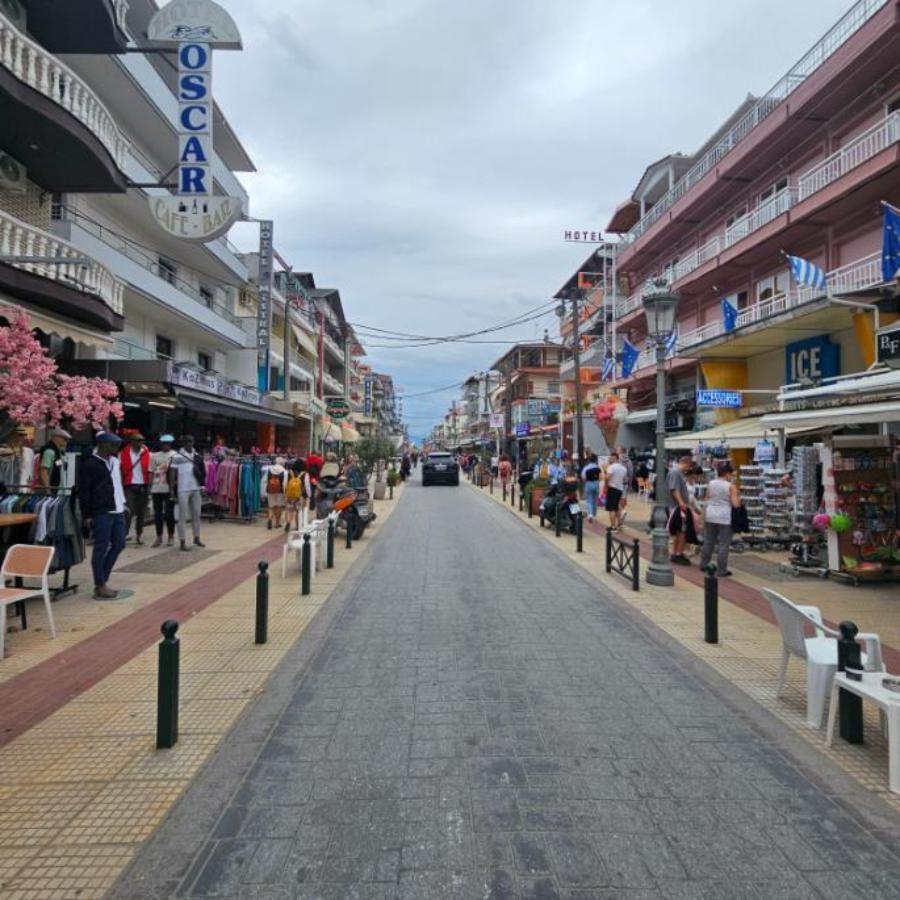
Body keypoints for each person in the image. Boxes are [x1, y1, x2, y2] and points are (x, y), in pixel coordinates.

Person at [78, 432, 127, 599]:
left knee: (119, 543)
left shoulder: (115, 461)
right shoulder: (89, 464)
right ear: (103, 445)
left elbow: (117, 483)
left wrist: (123, 502)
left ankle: (102, 579)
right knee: (101, 546)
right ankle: (100, 584)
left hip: (118, 508)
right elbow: (84, 491)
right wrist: (87, 515)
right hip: (101, 510)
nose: (116, 448)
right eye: (113, 445)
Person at [700, 460, 741, 576]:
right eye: (731, 473)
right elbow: (735, 504)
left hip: (710, 514)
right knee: (724, 544)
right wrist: (738, 498)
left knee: (708, 541)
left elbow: (707, 498)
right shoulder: (731, 486)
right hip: (724, 517)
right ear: (727, 473)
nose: (732, 476)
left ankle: (704, 564)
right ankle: (721, 569)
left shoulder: (711, 483)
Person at [171, 435, 205, 552]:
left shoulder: (197, 456)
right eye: (188, 441)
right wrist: (172, 489)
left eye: (191, 441)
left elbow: (202, 472)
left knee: (197, 514)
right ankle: (182, 541)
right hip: (183, 489)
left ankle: (196, 537)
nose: (190, 443)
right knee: (182, 516)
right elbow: (172, 473)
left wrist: (202, 486)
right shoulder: (177, 456)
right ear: (184, 443)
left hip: (196, 488)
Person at [120, 432, 150, 545]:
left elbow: (150, 469)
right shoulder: (124, 453)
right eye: (138, 441)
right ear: (132, 442)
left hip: (143, 485)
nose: (141, 443)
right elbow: (119, 469)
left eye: (142, 441)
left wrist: (150, 486)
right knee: (128, 511)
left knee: (141, 512)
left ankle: (139, 534)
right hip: (129, 485)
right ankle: (124, 534)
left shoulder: (146, 452)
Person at [667, 455, 695, 565]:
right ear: (686, 463)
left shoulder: (678, 473)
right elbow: (674, 489)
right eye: (689, 466)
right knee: (682, 530)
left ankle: (676, 552)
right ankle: (678, 553)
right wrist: (681, 503)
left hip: (678, 506)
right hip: (678, 507)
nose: (689, 468)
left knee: (680, 530)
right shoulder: (676, 472)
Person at [150, 434, 176, 547]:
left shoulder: (175, 455)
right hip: (156, 488)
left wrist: (173, 489)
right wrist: (149, 487)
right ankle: (159, 536)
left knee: (169, 514)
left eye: (168, 443)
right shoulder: (154, 456)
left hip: (169, 489)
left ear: (171, 444)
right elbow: (151, 471)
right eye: (164, 443)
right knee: (158, 515)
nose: (166, 445)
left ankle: (171, 535)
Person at [284, 458, 311, 532]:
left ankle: (288, 523)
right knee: (298, 511)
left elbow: (285, 483)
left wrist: (285, 493)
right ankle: (297, 526)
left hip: (290, 495)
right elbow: (307, 485)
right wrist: (309, 495)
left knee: (290, 510)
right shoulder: (305, 474)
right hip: (300, 496)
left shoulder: (289, 473)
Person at [604, 452, 628, 530]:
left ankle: (613, 526)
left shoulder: (611, 467)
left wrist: (606, 486)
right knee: (617, 507)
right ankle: (619, 524)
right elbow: (625, 479)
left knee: (611, 508)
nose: (609, 460)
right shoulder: (623, 468)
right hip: (620, 489)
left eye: (611, 458)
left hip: (612, 489)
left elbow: (607, 478)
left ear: (614, 459)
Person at [265, 457, 288, 530]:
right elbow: (284, 484)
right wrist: (285, 493)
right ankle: (277, 523)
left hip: (270, 490)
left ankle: (269, 520)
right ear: (282, 463)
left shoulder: (269, 469)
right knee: (278, 507)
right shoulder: (284, 471)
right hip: (280, 491)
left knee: (271, 506)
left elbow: (266, 480)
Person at [580, 453, 601, 522]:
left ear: (589, 460)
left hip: (589, 483)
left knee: (589, 500)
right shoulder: (598, 468)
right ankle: (594, 514)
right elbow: (601, 477)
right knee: (595, 500)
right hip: (596, 483)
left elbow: (583, 477)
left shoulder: (586, 467)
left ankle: (590, 514)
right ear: (596, 460)